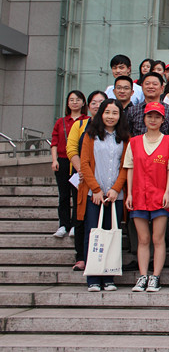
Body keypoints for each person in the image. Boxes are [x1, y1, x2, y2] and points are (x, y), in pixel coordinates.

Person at [125, 102, 169, 292]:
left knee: (158, 238)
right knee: (143, 238)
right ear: (144, 118)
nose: (153, 120)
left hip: (160, 195)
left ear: (163, 120)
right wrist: (130, 193)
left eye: (157, 117)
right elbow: (129, 168)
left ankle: (155, 276)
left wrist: (167, 192)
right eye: (150, 116)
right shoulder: (134, 142)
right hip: (139, 195)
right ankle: (142, 276)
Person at [79, 98, 130, 292]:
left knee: (112, 234)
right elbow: (84, 164)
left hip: (115, 195)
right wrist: (96, 189)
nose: (111, 116)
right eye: (107, 112)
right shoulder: (90, 135)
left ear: (120, 116)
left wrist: (116, 188)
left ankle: (109, 276)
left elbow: (125, 165)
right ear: (101, 114)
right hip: (95, 195)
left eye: (115, 113)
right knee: (93, 234)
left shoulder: (125, 138)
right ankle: (93, 277)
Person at [66, 90, 107, 271]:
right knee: (80, 217)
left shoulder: (112, 128)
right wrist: (82, 171)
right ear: (88, 106)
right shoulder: (80, 124)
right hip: (82, 179)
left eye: (101, 102)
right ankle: (81, 257)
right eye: (94, 102)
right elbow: (71, 149)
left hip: (103, 181)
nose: (97, 106)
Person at [51, 90, 89, 238]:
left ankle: (75, 224)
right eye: (71, 100)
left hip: (78, 162)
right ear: (67, 103)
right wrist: (54, 160)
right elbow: (54, 142)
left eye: (78, 99)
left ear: (83, 102)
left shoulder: (87, 121)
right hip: (63, 161)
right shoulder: (61, 122)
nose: (74, 102)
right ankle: (63, 225)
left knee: (77, 195)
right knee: (64, 195)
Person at [127, 72, 169, 138]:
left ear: (162, 88)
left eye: (155, 84)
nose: (151, 87)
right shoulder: (133, 110)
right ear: (142, 87)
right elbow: (128, 134)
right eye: (147, 84)